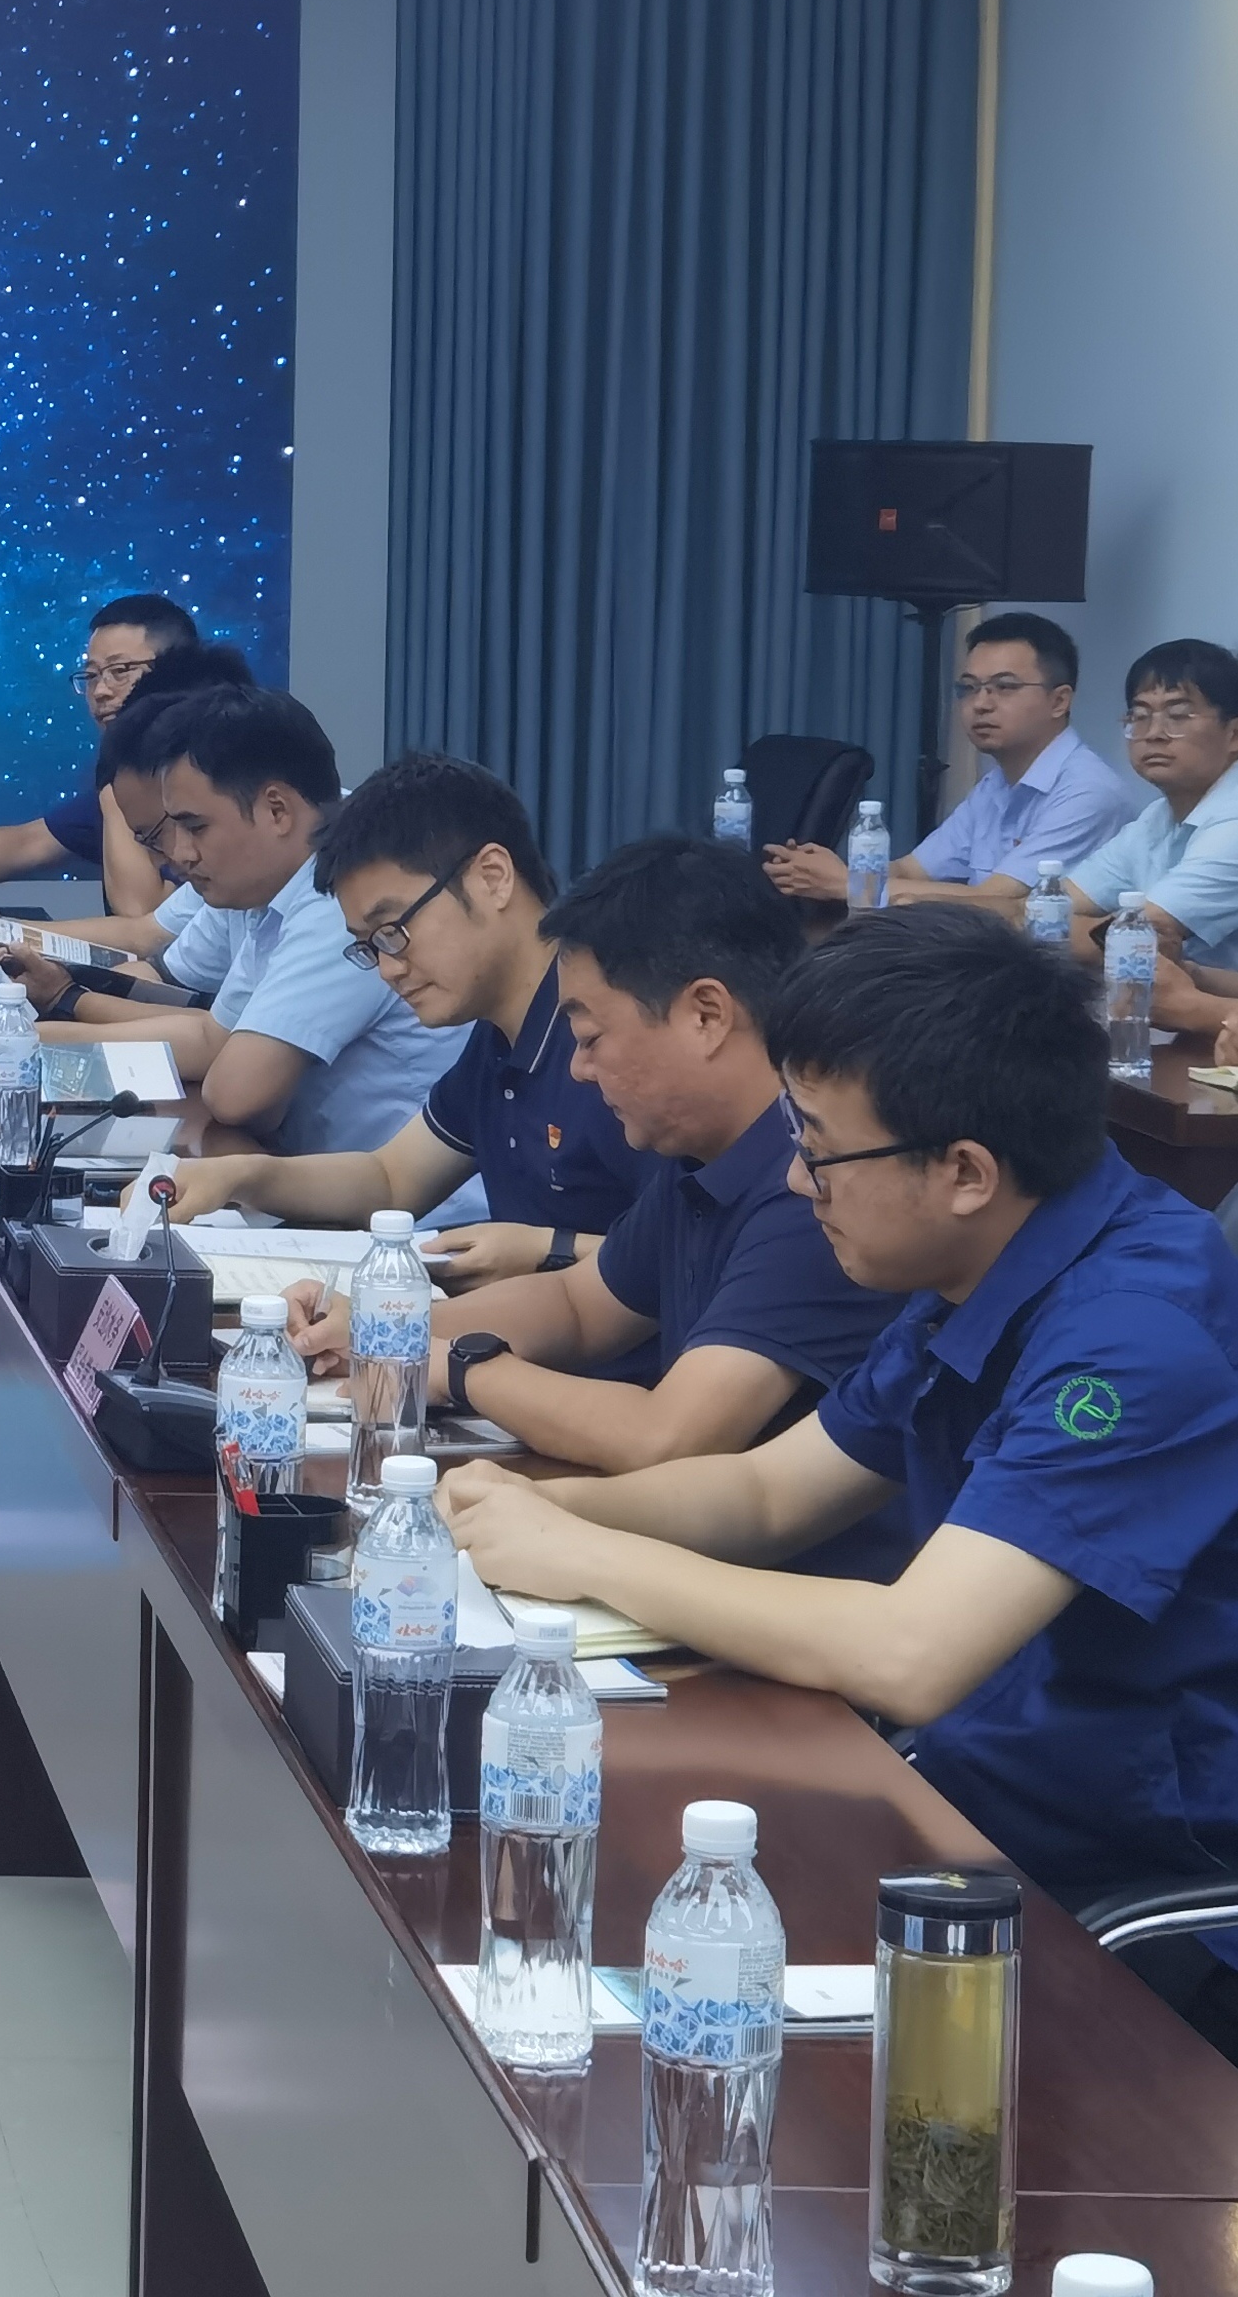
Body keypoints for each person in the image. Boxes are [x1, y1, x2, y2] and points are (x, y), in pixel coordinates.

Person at [440, 908, 1238, 2050]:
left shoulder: (1132, 1339)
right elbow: (768, 1494)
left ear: (963, 1171)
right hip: (981, 1785)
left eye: (816, 1148)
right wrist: (535, 1511)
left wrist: (586, 1552)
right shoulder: (988, 1255)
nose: (796, 1179)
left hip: (1140, 1864)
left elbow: (912, 1654)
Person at [281, 836, 896, 1495]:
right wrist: (380, 1327)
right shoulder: (703, 1153)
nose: (577, 1069)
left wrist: (458, 1368)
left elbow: (668, 1435)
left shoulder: (814, 1184)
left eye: (591, 1039)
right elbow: (577, 1305)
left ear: (706, 1015)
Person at [169, 751, 655, 1281]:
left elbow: (692, 1252)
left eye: (393, 932)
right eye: (369, 948)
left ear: (492, 878)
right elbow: (391, 1179)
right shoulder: (498, 1037)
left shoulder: (613, 1035)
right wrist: (241, 1176)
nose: (388, 969)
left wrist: (550, 1248)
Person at [0, 686, 465, 1156]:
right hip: (321, 1175)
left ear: (277, 810)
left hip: (397, 1198)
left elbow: (236, 1095)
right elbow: (212, 1034)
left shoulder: (342, 898)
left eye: (194, 827)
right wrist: (57, 1007)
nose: (180, 854)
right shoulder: (264, 880)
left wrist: (29, 1039)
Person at [764, 612, 1139, 911]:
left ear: (1059, 701)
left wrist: (847, 884)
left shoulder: (1088, 792)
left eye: (1005, 687)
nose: (981, 704)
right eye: (968, 688)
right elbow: (914, 869)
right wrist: (825, 871)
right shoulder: (996, 783)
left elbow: (998, 901)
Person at [0, 594, 200, 914]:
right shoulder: (128, 778)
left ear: (177, 671)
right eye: (91, 676)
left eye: (120, 670)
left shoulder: (206, 770)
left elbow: (140, 916)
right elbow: (27, 843)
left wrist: (113, 779)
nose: (100, 691)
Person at [1051, 639, 1238, 1038]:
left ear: (1234, 734)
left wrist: (1098, 932)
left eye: (1178, 716)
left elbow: (1136, 937)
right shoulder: (1157, 817)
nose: (1153, 734)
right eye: (1139, 716)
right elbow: (1051, 907)